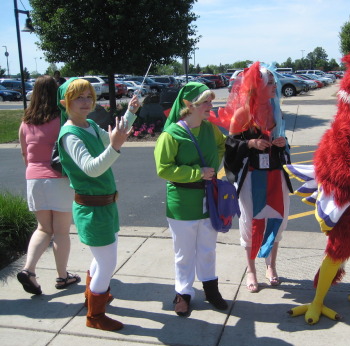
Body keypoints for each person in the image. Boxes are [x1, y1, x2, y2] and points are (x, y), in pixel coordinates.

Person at [57, 78, 139, 331]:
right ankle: (95, 315)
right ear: (65, 102)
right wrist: (115, 145)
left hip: (105, 206)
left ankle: (94, 294)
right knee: (107, 262)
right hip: (91, 209)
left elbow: (113, 136)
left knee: (101, 259)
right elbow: (92, 169)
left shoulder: (90, 124)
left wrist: (130, 113)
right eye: (78, 97)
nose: (85, 102)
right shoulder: (70, 135)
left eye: (89, 96)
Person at [154, 81, 227, 317]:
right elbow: (163, 168)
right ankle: (183, 293)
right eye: (205, 101)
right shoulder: (171, 134)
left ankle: (211, 289)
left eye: (210, 101)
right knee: (184, 253)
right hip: (182, 203)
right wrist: (197, 172)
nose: (210, 105)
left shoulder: (209, 129)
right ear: (189, 104)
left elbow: (221, 146)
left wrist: (213, 166)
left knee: (207, 249)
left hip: (209, 199)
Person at [219, 62, 292, 293]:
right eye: (269, 82)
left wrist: (281, 144)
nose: (274, 86)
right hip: (251, 178)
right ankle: (251, 270)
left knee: (278, 218)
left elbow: (283, 143)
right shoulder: (242, 113)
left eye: (274, 82)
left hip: (275, 174)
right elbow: (229, 147)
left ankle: (271, 266)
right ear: (256, 85)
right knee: (250, 223)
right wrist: (250, 143)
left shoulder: (275, 110)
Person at [17, 75, 80, 295]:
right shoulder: (62, 118)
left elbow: (25, 154)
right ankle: (62, 277)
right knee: (61, 231)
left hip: (34, 179)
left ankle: (28, 270)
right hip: (59, 179)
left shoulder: (26, 122)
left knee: (43, 228)